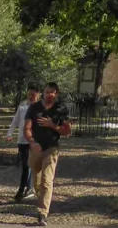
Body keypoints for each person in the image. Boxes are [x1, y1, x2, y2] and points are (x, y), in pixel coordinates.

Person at [24, 82, 71, 226]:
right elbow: (26, 129)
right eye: (46, 92)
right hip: (36, 149)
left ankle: (42, 213)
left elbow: (67, 131)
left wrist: (53, 125)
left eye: (51, 92)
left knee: (47, 180)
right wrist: (32, 143)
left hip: (52, 148)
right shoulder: (34, 108)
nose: (48, 94)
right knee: (36, 180)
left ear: (56, 94)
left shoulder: (60, 109)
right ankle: (42, 199)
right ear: (43, 93)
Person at [7, 84, 40, 202]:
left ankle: (22, 190)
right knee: (26, 165)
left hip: (34, 140)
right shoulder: (22, 106)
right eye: (29, 94)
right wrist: (9, 133)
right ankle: (29, 187)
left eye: (33, 94)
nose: (31, 96)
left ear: (37, 94)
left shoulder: (40, 108)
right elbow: (15, 120)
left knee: (28, 165)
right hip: (22, 140)